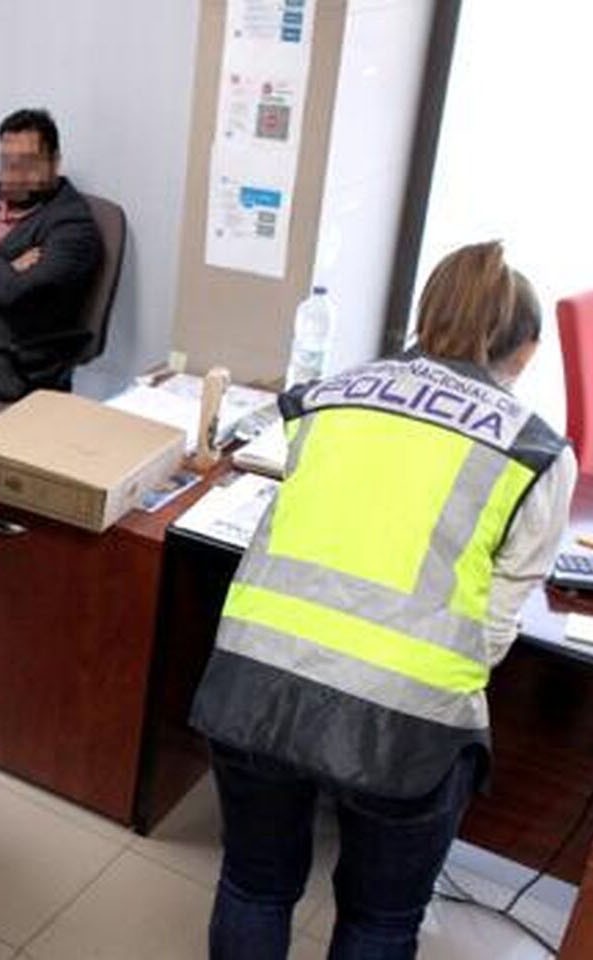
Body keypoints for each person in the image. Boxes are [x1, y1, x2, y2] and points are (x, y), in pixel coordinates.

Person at [189, 241, 576, 959]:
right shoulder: (536, 452)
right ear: (524, 353)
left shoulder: (328, 392)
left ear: (424, 319)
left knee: (253, 883)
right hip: (408, 720)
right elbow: (493, 627)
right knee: (377, 919)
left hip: (254, 680)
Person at [0, 108, 101, 399]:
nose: (13, 174)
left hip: (4, 363)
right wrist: (4, 268)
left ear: (54, 163)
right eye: (7, 162)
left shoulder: (72, 226)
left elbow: (14, 293)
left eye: (27, 164)